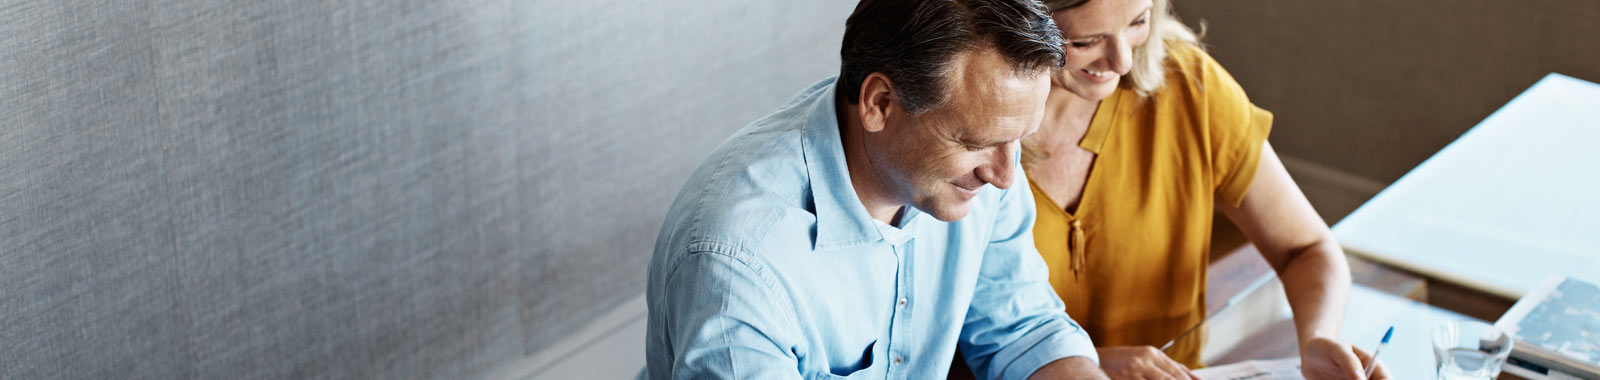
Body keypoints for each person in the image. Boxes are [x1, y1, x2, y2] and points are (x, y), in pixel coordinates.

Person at [643, 0, 1113, 378]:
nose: (1005, 176)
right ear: (880, 103)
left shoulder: (985, 166)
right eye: (975, 143)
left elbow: (1023, 331)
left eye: (1019, 139)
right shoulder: (737, 258)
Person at [1020, 0, 1391, 379]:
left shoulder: (1188, 85)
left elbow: (1306, 248)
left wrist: (1317, 338)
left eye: (1138, 21)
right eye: (1085, 42)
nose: (1123, 62)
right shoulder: (976, 135)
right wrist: (1077, 365)